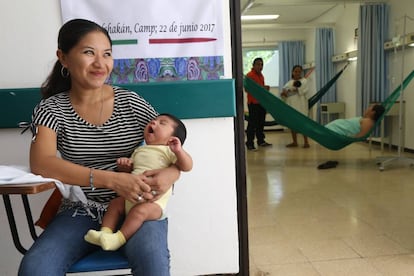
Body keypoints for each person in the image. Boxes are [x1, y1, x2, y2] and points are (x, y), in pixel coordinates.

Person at [18, 19, 180, 276]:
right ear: (63, 58)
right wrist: (112, 180)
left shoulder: (130, 102)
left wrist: (171, 174)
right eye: (88, 52)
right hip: (81, 209)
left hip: (135, 206)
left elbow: (171, 147)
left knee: (153, 266)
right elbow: (42, 163)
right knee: (35, 268)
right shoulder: (51, 109)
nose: (100, 63)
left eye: (107, 54)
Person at [84, 113, 193, 251]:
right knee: (114, 204)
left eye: (162, 123)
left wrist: (178, 151)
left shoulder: (168, 151)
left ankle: (118, 239)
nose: (153, 123)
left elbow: (187, 166)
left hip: (153, 204)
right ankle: (105, 233)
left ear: (172, 139)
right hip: (132, 195)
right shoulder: (139, 150)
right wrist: (125, 166)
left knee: (139, 212)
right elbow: (131, 172)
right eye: (153, 121)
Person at [245, 57, 272, 151]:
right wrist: (263, 88)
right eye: (258, 64)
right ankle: (249, 143)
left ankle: (261, 141)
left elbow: (261, 89)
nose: (260, 66)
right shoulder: (249, 75)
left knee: (261, 123)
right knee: (252, 124)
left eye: (261, 65)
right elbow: (247, 89)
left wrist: (265, 88)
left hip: (261, 103)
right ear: (253, 65)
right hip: (253, 103)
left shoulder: (261, 76)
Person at [281, 65, 310, 148]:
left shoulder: (304, 81)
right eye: (296, 71)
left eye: (299, 71)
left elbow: (305, 91)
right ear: (292, 72)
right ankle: (294, 142)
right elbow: (284, 94)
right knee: (292, 123)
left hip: (301, 105)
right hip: (291, 105)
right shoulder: (288, 83)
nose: (297, 73)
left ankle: (306, 142)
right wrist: (284, 94)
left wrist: (296, 89)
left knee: (303, 123)